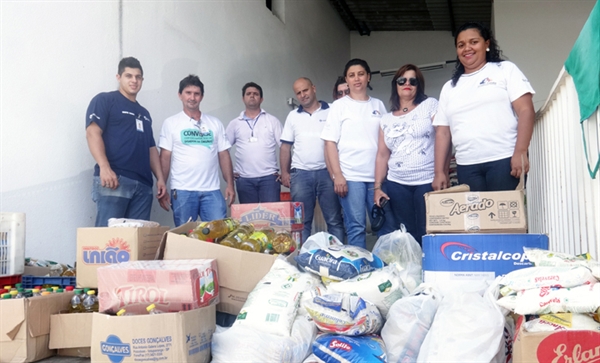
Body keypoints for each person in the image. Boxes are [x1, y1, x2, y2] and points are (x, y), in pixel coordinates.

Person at [432, 22, 535, 192]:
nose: (467, 48)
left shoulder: (504, 70)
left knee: (505, 217)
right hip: (467, 166)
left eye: (474, 42)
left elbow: (526, 110)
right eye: (461, 45)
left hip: (504, 160)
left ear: (486, 44)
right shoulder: (449, 87)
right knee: (475, 218)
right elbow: (443, 133)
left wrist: (521, 151)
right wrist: (439, 172)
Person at [85, 57, 166, 227]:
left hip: (143, 187)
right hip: (115, 180)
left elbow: (151, 148)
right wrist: (105, 168)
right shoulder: (105, 100)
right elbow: (92, 133)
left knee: (135, 245)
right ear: (118, 77)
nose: (134, 80)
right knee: (107, 242)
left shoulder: (144, 113)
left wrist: (160, 178)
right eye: (129, 76)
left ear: (142, 80)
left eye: (138, 77)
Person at [322, 59, 387, 249]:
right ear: (347, 80)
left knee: (383, 226)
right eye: (351, 75)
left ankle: (384, 266)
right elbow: (330, 143)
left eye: (360, 74)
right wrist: (337, 175)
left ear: (368, 77)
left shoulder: (378, 105)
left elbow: (386, 142)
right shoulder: (339, 106)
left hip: (377, 178)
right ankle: (360, 270)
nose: (356, 78)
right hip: (351, 177)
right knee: (356, 227)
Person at [158, 75, 235, 226]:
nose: (192, 97)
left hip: (212, 191)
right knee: (185, 237)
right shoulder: (171, 123)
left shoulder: (215, 123)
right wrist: (162, 184)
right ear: (180, 95)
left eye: (196, 93)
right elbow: (165, 157)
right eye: (188, 93)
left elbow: (224, 156)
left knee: (218, 235)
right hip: (182, 191)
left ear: (202, 97)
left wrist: (230, 184)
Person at [374, 64, 438, 245]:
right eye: (402, 80)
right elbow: (382, 155)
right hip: (397, 183)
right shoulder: (385, 119)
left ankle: (430, 270)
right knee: (406, 233)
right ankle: (413, 271)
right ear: (396, 84)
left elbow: (443, 136)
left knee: (429, 230)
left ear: (419, 85)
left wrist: (441, 172)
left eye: (412, 80)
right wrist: (377, 187)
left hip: (426, 179)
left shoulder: (430, 105)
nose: (407, 84)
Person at [280, 77, 345, 243]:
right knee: (301, 222)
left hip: (327, 173)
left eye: (305, 90)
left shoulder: (331, 110)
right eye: (298, 93)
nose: (302, 95)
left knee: (334, 220)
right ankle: (301, 259)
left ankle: (337, 256)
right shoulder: (292, 116)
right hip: (301, 175)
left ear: (313, 88)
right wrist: (285, 172)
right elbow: (285, 147)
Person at [226, 82, 283, 203]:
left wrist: (285, 172)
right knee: (249, 219)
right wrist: (229, 174)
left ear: (261, 99)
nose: (252, 96)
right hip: (244, 180)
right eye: (248, 94)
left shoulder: (272, 121)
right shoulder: (234, 124)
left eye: (256, 94)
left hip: (269, 179)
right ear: (243, 98)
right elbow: (223, 151)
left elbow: (285, 147)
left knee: (271, 219)